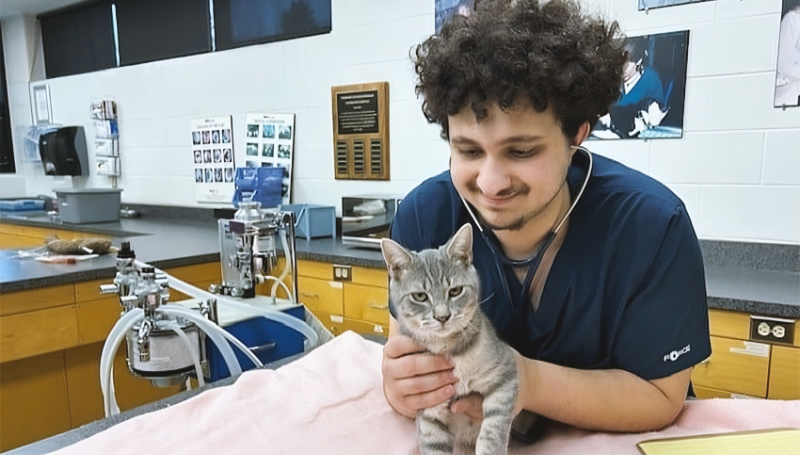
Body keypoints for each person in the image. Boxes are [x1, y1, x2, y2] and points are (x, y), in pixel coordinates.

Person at [382, 0, 711, 436]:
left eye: (521, 151)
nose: (491, 182)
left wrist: (527, 381)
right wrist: (400, 386)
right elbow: (406, 355)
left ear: (577, 134)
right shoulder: (424, 217)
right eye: (468, 151)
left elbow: (660, 397)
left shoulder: (650, 227)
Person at [593, 38, 670, 138]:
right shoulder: (610, 75)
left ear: (639, 61)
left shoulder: (651, 78)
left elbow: (654, 110)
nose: (620, 68)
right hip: (605, 136)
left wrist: (648, 116)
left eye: (626, 64)